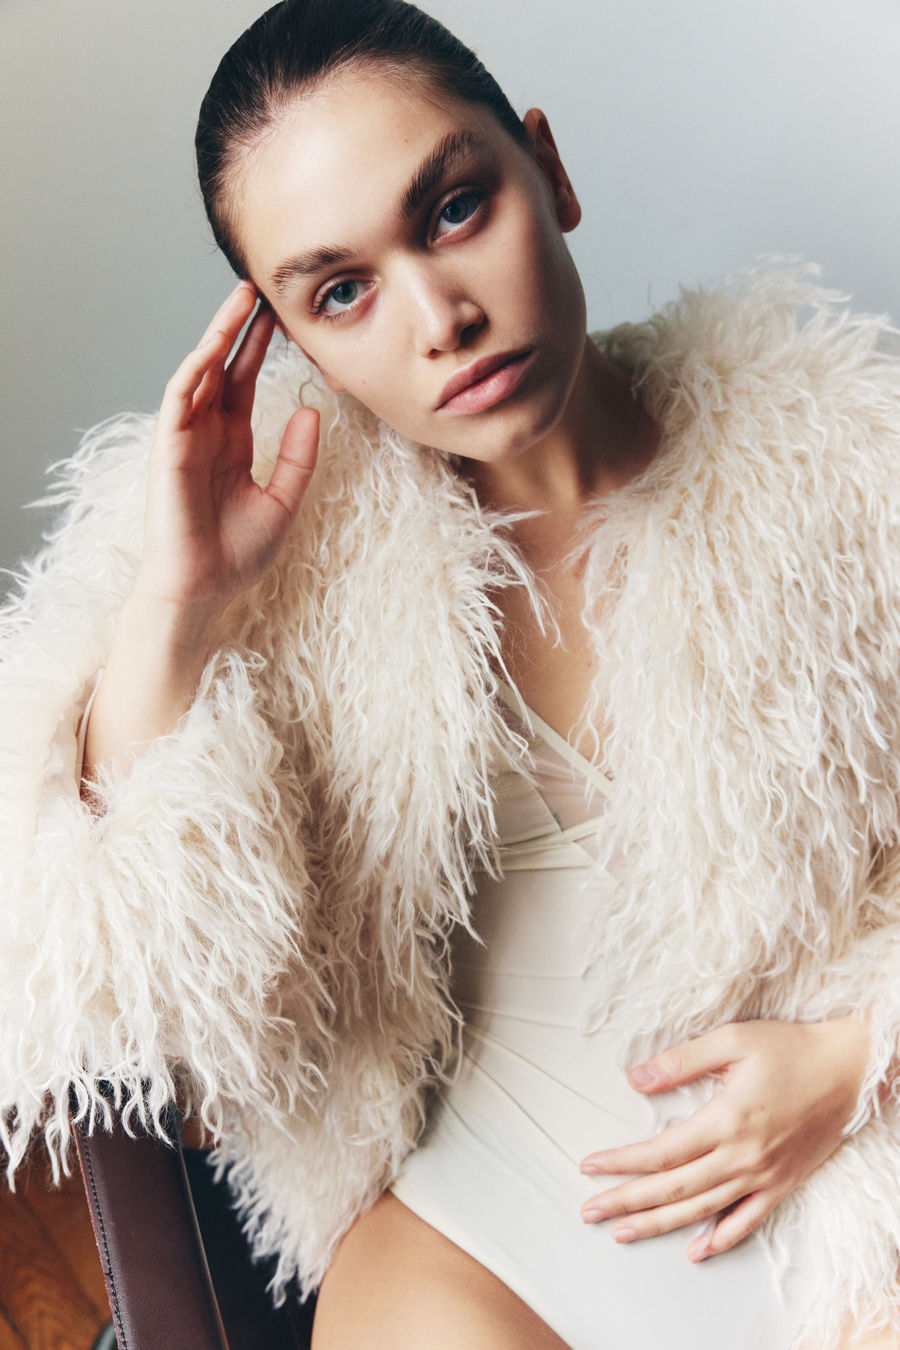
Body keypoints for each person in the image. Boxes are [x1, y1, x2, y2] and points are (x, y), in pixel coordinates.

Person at [2, 1, 900, 1346]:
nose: (442, 319)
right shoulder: (305, 569)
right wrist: (180, 603)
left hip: (845, 1166)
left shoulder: (847, 465)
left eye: (455, 208)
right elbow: (126, 1000)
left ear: (550, 170)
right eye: (341, 292)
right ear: (293, 341)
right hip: (484, 1230)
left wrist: (857, 1059)